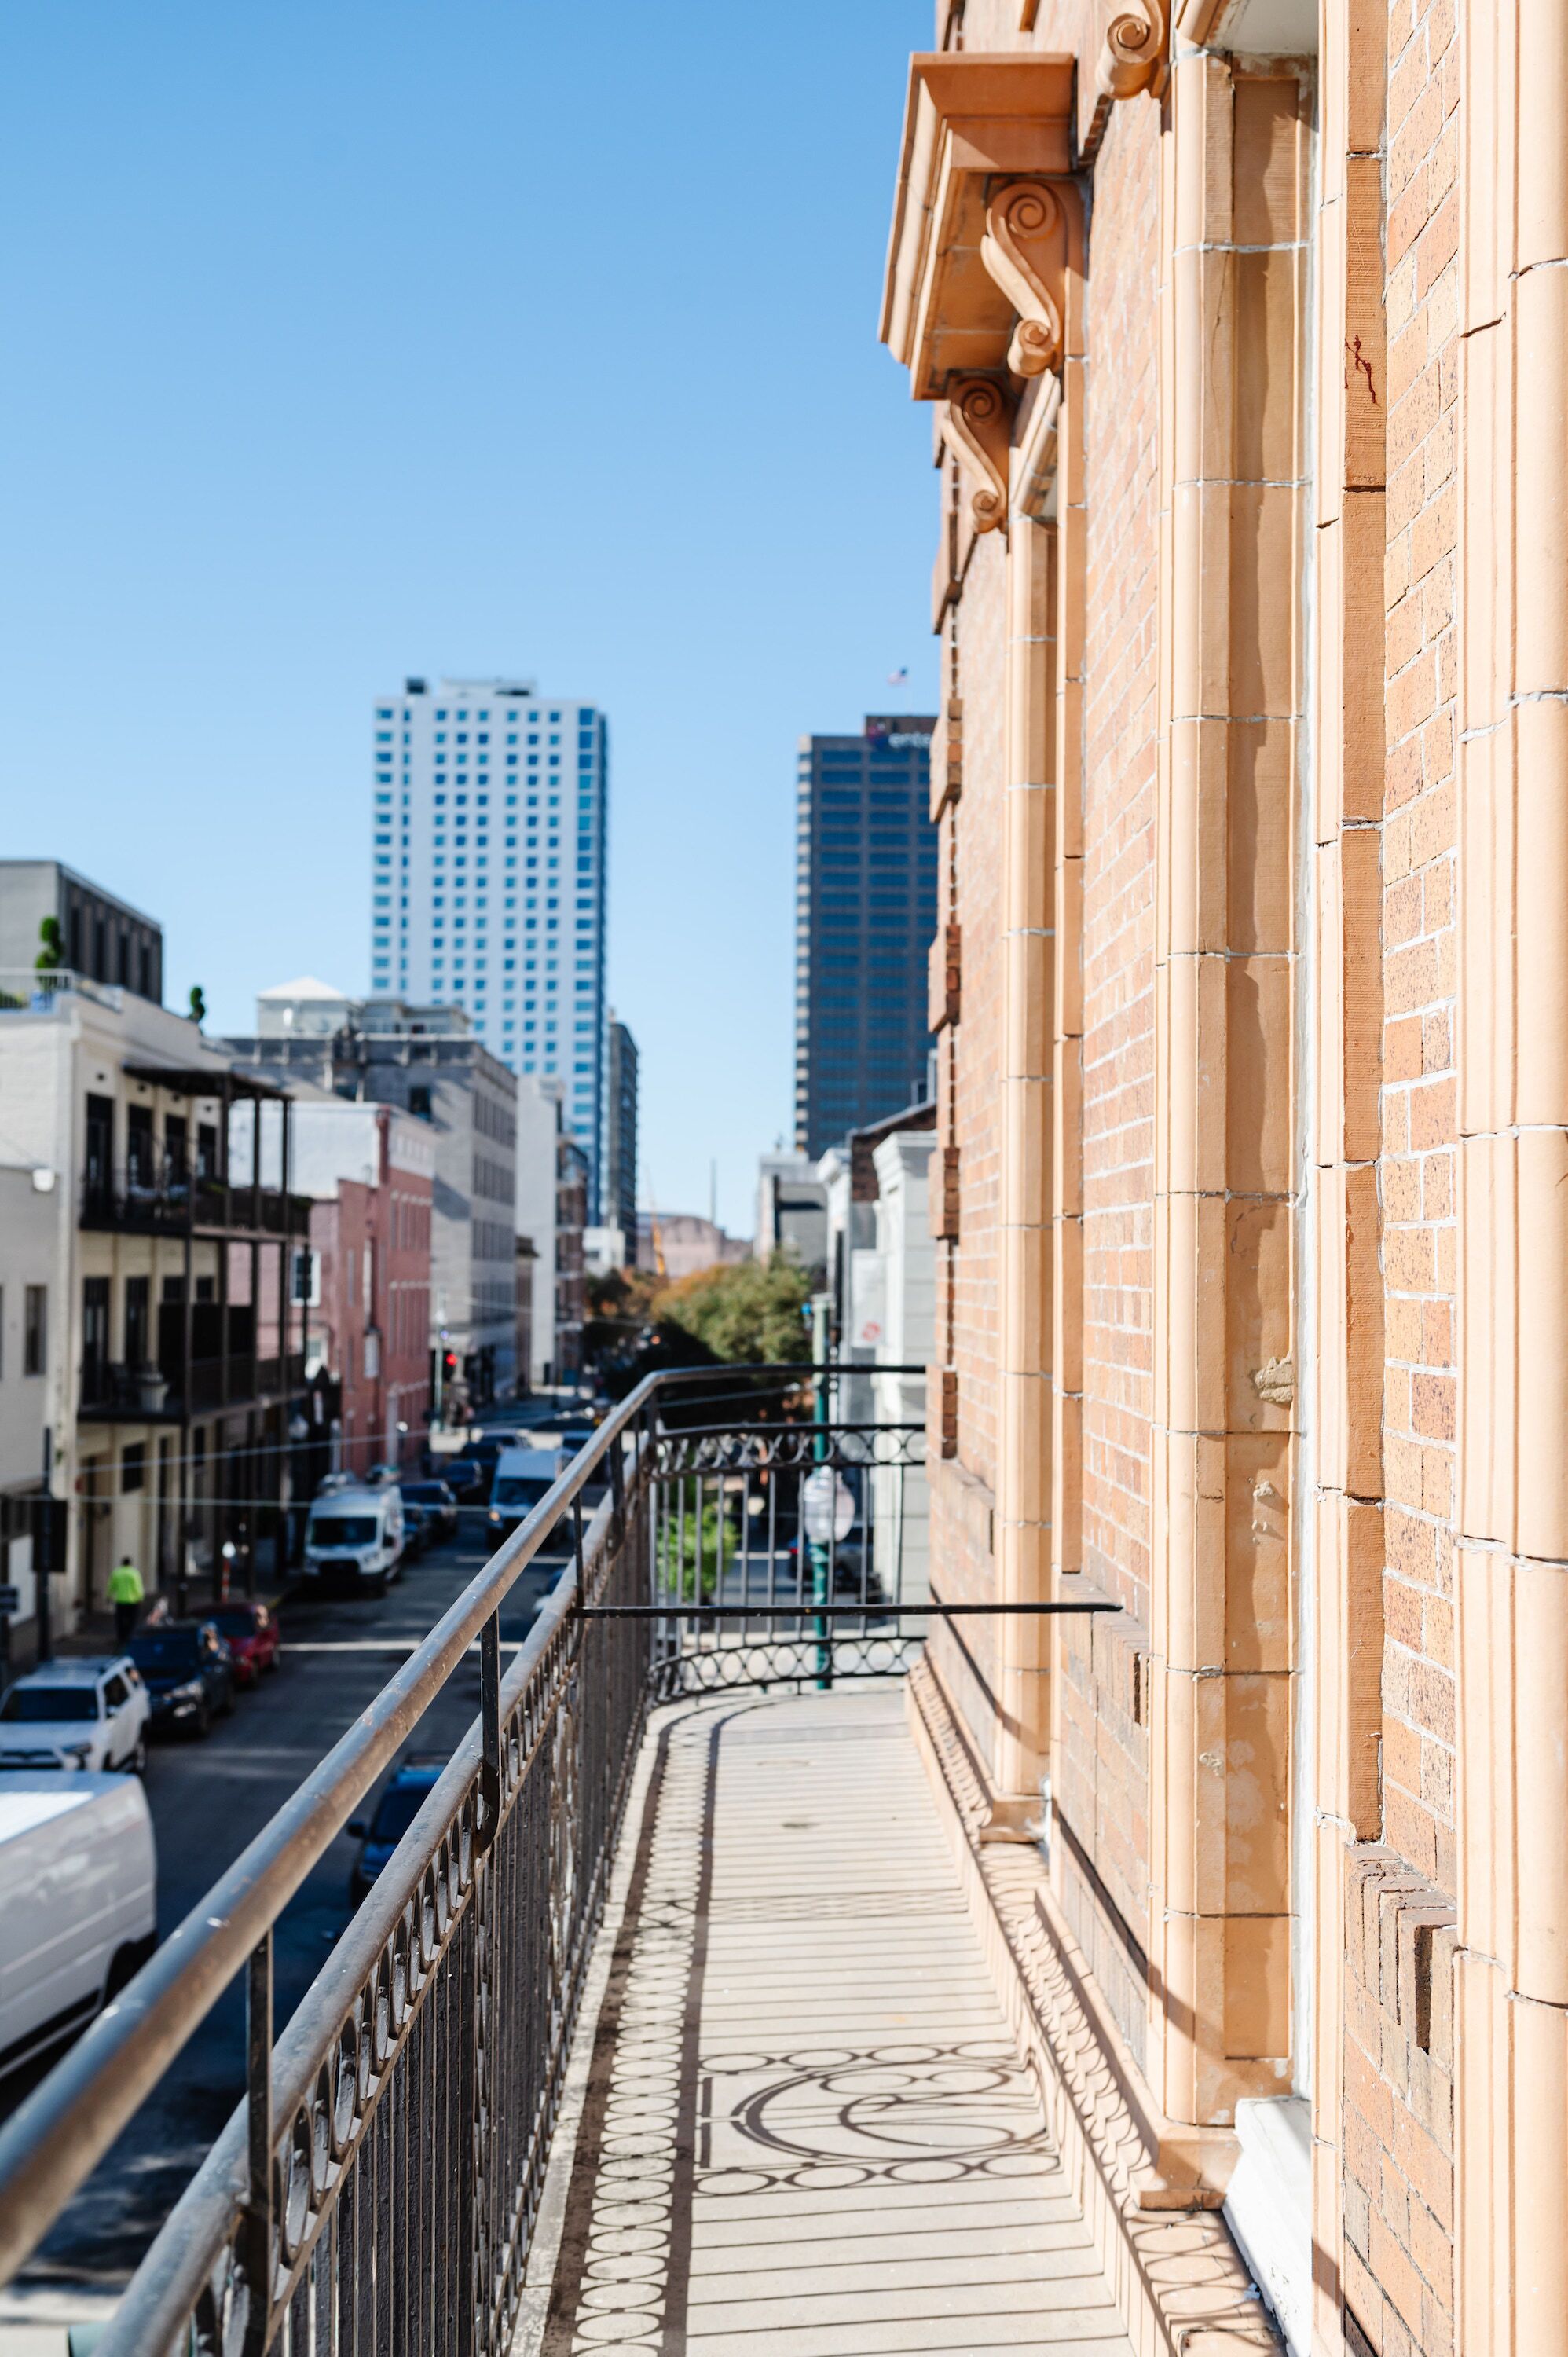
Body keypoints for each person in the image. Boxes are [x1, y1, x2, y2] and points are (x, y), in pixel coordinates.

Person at [107, 1555, 145, 1646]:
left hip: (120, 1600)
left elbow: (112, 1586)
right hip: (133, 1601)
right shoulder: (134, 1573)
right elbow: (138, 1587)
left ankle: (121, 1638)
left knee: (120, 1620)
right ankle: (129, 1636)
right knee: (132, 1620)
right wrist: (140, 1597)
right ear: (130, 1564)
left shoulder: (117, 1573)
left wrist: (109, 1596)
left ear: (122, 1564)